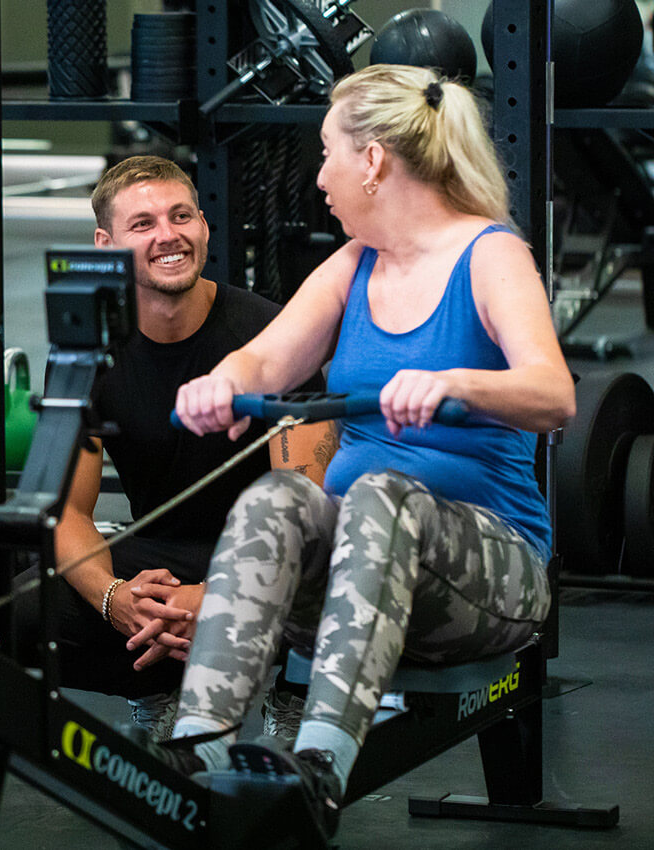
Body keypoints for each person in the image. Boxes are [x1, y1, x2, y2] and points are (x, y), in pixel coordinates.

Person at [161, 65, 574, 841]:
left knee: (381, 494)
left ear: (374, 160)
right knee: (276, 499)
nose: (318, 177)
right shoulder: (354, 264)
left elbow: (554, 394)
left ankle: (319, 768)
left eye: (327, 154)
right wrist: (220, 383)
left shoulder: (490, 256)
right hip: (357, 586)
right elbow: (264, 361)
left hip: (490, 582)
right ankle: (197, 750)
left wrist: (457, 381)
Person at [14, 155, 337, 741]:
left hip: (275, 557)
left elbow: (310, 509)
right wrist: (118, 600)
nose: (168, 235)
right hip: (164, 560)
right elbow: (67, 512)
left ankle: (293, 691)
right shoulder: (91, 348)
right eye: (143, 224)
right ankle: (157, 685)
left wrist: (214, 597)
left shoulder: (272, 337)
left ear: (204, 227)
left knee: (326, 572)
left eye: (180, 216)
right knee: (25, 612)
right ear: (105, 242)